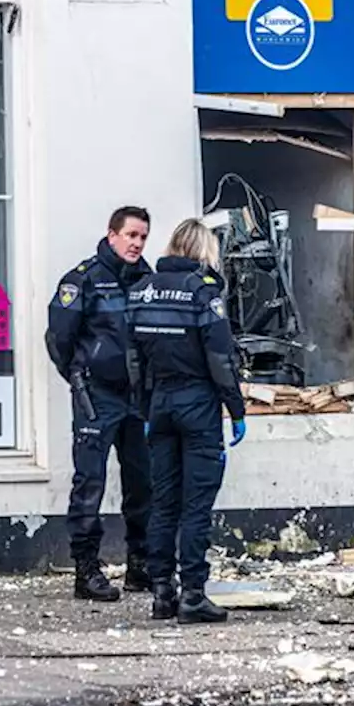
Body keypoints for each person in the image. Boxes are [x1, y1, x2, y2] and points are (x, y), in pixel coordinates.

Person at [127, 218, 247, 625]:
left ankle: (163, 592)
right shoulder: (204, 291)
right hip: (197, 404)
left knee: (163, 502)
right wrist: (236, 408)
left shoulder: (141, 290)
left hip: (159, 405)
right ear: (202, 251)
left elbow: (134, 360)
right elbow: (220, 357)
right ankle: (193, 594)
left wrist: (145, 408)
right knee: (195, 505)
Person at [46, 207, 155, 602]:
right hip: (97, 396)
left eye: (143, 236)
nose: (137, 243)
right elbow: (59, 338)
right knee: (90, 481)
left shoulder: (148, 280)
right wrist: (81, 376)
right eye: (130, 235)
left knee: (143, 482)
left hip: (137, 398)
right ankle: (86, 569)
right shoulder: (84, 279)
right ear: (111, 236)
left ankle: (140, 565)